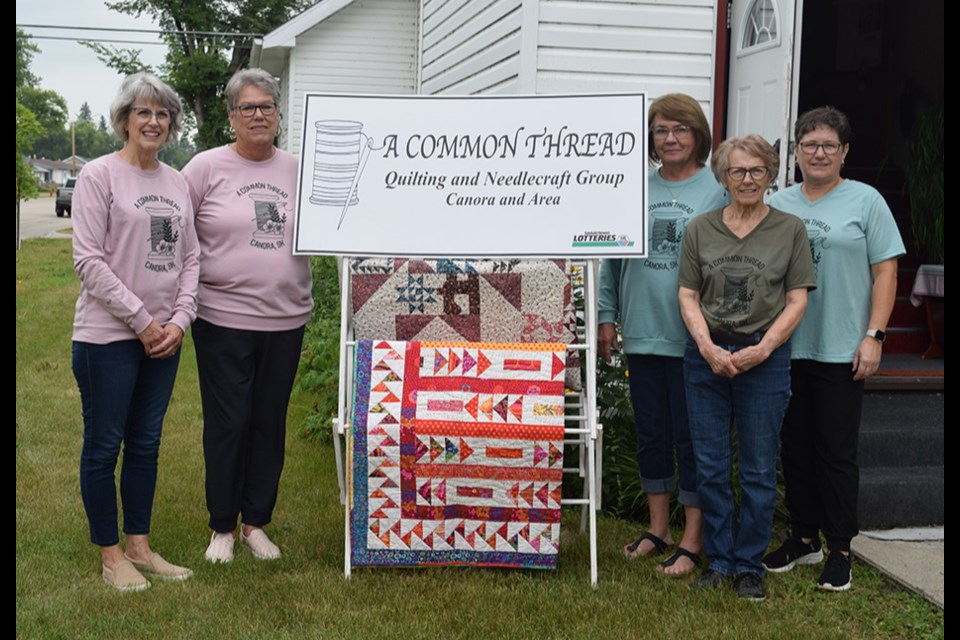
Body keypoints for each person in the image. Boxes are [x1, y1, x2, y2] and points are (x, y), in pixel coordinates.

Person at [763, 107, 905, 591]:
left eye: (828, 145)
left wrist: (875, 335)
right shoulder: (777, 203)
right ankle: (804, 538)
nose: (818, 153)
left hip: (842, 347)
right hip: (785, 346)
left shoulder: (866, 201)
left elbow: (886, 271)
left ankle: (840, 546)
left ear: (844, 152)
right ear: (796, 152)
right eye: (809, 144)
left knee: (836, 452)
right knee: (795, 449)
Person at [72, 72, 199, 591]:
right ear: (124, 120)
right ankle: (110, 556)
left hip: (164, 337)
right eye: (142, 112)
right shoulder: (99, 176)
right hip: (107, 338)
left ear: (171, 125)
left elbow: (191, 256)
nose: (153, 121)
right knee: (105, 445)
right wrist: (143, 321)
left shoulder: (176, 182)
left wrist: (179, 320)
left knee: (146, 443)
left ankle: (140, 547)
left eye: (162, 113)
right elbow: (88, 260)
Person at [182, 68, 313, 563]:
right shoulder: (204, 168)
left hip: (286, 318)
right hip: (222, 317)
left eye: (267, 107)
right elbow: (178, 233)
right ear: (231, 116)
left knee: (267, 422)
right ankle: (221, 527)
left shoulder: (301, 169)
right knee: (228, 422)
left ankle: (256, 521)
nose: (258, 115)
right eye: (247, 108)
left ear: (279, 115)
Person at [678, 134, 816, 600]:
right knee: (712, 466)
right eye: (738, 171)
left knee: (757, 469)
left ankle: (748, 565)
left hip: (765, 358)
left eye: (757, 170)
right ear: (723, 176)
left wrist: (764, 349)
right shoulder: (700, 229)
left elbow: (797, 299)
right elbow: (688, 295)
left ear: (771, 175)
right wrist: (707, 347)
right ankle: (718, 560)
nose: (748, 179)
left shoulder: (790, 229)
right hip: (707, 359)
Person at [598, 93, 727, 576]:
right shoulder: (634, 189)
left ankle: (694, 538)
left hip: (697, 337)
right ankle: (659, 529)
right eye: (660, 130)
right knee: (652, 434)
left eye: (681, 129)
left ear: (698, 136)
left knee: (692, 438)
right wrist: (607, 316)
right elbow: (611, 259)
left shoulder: (717, 192)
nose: (670, 138)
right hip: (643, 331)